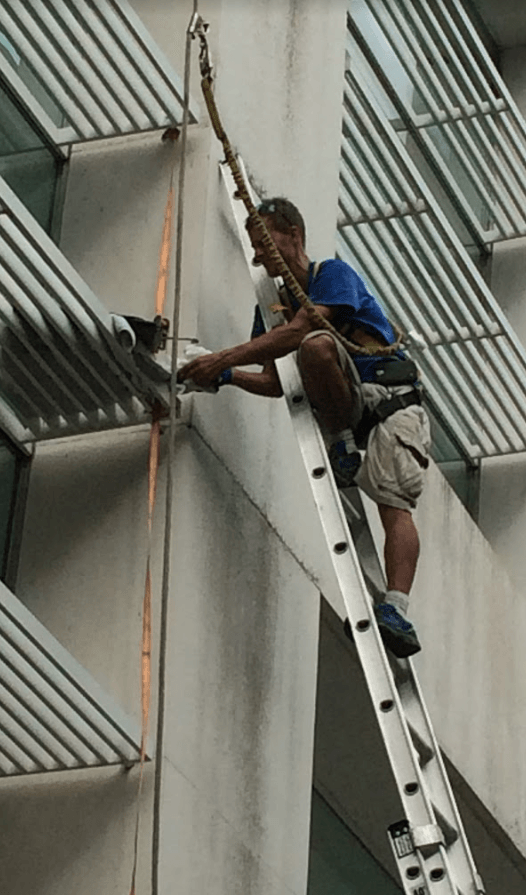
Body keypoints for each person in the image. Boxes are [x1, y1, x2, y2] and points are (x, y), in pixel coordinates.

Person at [177, 198, 430, 658]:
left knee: (394, 502)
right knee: (311, 351)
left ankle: (396, 607)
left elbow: (303, 333)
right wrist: (227, 375)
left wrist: (224, 358)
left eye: (263, 242)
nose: (257, 255)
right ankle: (344, 445)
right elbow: (276, 382)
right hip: (348, 406)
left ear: (293, 233)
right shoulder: (272, 310)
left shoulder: (331, 274)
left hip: (391, 404)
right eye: (253, 247)